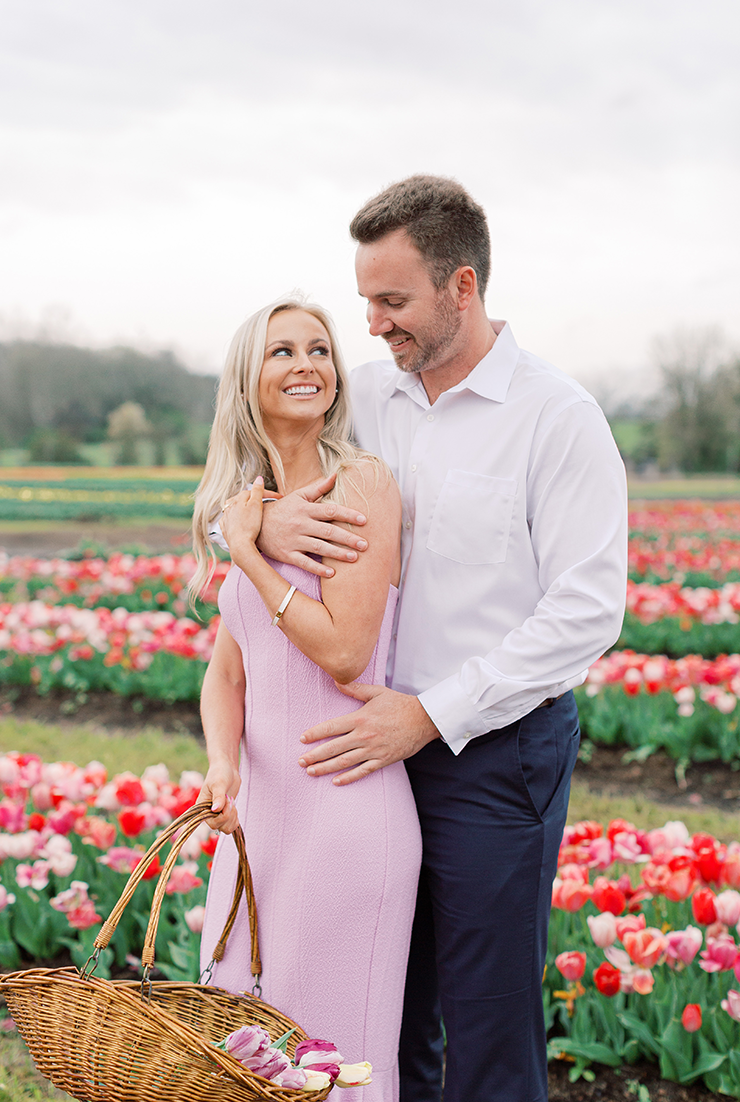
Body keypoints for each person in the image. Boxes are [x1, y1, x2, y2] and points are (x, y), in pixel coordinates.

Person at [254, 176, 628, 1102]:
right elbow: (269, 466)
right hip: (366, 759)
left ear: (463, 287)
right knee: (380, 1020)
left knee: (491, 1037)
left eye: (393, 301)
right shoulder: (367, 403)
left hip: (493, 757)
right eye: (366, 302)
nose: (373, 325)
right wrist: (251, 523)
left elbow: (586, 610)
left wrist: (430, 714)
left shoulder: (558, 418)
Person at [191, 297, 422, 1102]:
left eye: (320, 350)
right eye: (282, 350)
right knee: (240, 1058)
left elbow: (345, 649)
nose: (306, 365)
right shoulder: (250, 499)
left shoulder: (359, 481)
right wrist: (222, 767)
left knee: (334, 1066)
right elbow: (227, 672)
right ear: (247, 378)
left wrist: (249, 551)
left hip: (345, 809)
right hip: (256, 825)